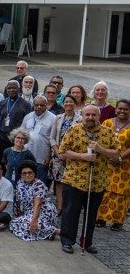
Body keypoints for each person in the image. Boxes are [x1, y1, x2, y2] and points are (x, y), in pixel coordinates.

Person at [58, 104, 120, 254]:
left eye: (94, 115)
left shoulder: (108, 132)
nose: (90, 117)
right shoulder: (74, 130)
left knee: (91, 216)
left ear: (99, 116)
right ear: (82, 116)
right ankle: (67, 241)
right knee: (70, 213)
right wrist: (82, 156)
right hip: (74, 181)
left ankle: (87, 242)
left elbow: (117, 154)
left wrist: (101, 150)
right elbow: (62, 152)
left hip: (97, 182)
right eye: (87, 115)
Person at [97, 99, 130, 231]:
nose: (122, 111)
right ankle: (100, 218)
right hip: (106, 163)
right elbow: (101, 140)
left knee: (120, 192)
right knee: (103, 189)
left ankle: (117, 221)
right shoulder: (107, 123)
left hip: (124, 165)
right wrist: (108, 155)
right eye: (120, 108)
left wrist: (120, 157)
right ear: (115, 109)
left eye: (125, 109)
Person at [10, 160, 59, 241]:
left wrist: (34, 220)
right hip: (29, 211)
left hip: (43, 210)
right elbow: (18, 201)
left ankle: (56, 231)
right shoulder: (20, 183)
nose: (27, 175)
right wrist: (19, 215)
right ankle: (48, 233)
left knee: (30, 224)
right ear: (21, 175)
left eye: (30, 172)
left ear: (34, 173)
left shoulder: (39, 185)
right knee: (14, 222)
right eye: (24, 173)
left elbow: (38, 204)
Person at [50, 95, 81, 213]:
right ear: (63, 104)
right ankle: (60, 206)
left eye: (71, 102)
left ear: (75, 104)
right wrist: (58, 153)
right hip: (58, 155)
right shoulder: (58, 118)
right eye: (66, 102)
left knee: (70, 182)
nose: (68, 104)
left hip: (72, 156)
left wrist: (68, 154)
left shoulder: (80, 119)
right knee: (58, 182)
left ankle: (69, 207)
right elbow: (52, 138)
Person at [23, 96, 56, 185]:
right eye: (36, 105)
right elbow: (21, 134)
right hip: (26, 155)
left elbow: (54, 139)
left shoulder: (53, 119)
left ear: (46, 105)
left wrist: (49, 156)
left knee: (40, 183)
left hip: (42, 157)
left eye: (42, 105)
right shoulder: (27, 117)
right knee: (25, 181)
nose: (39, 107)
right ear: (33, 105)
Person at [0, 80, 32, 157]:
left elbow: (28, 124)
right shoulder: (2, 103)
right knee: (2, 161)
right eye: (9, 88)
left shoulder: (26, 104)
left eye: (14, 88)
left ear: (19, 89)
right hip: (2, 138)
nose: (11, 90)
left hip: (17, 138)